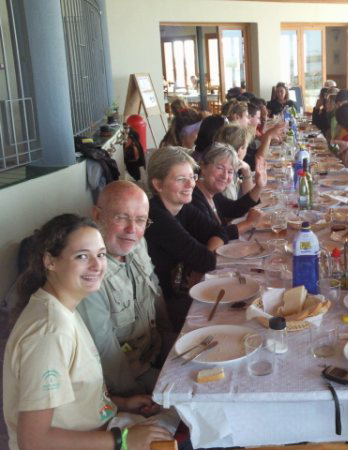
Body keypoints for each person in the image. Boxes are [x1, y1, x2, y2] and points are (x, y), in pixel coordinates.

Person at [3, 214, 171, 449]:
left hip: (104, 426)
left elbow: (74, 395)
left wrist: (121, 403)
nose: (96, 265)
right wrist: (122, 440)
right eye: (82, 256)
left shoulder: (64, 307)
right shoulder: (49, 333)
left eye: (101, 255)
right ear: (49, 261)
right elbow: (33, 441)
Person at [77, 181, 171, 397]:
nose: (132, 230)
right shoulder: (90, 274)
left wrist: (169, 336)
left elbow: (154, 287)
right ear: (97, 215)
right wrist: (137, 397)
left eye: (140, 220)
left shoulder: (136, 243)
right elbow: (107, 357)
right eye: (121, 217)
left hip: (155, 345)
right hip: (132, 374)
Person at [145, 146, 227, 330]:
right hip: (163, 310)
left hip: (181, 292)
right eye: (181, 179)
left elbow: (220, 231)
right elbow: (206, 261)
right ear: (158, 185)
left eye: (192, 177)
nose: (191, 185)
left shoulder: (181, 206)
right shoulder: (156, 216)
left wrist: (204, 257)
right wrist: (203, 259)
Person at [193, 143, 265, 240]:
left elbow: (234, 209)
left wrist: (259, 186)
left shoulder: (212, 193)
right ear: (203, 167)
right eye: (219, 168)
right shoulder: (193, 198)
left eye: (230, 171)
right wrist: (249, 223)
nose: (225, 176)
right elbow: (213, 237)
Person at [213, 124, 255, 199]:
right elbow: (249, 199)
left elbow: (248, 194)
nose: (246, 151)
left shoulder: (222, 163)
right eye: (245, 147)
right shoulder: (225, 176)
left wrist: (247, 170)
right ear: (240, 150)